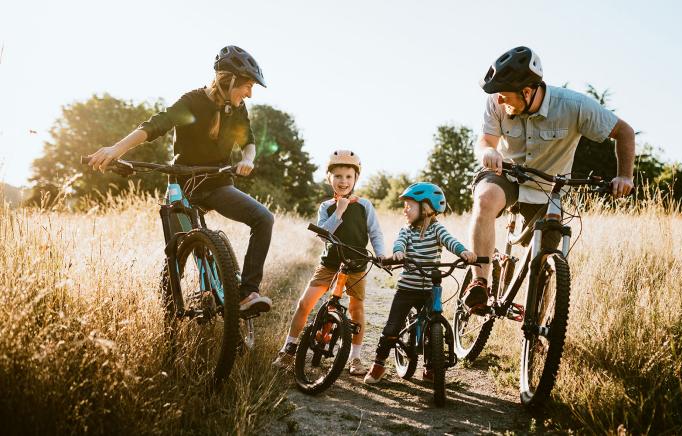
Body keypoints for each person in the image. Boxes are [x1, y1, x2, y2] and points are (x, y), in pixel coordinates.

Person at [87, 45, 274, 318]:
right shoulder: (193, 102)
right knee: (178, 250)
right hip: (183, 186)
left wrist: (248, 159)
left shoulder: (238, 109)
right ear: (229, 80)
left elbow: (249, 142)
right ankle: (175, 313)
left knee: (264, 219)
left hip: (218, 185)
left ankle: (246, 293)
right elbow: (154, 126)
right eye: (246, 86)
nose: (249, 93)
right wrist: (116, 150)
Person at [462, 46, 636, 311]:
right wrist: (487, 151)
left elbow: (625, 132)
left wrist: (624, 176)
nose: (499, 100)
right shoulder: (497, 101)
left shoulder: (574, 106)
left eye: (505, 95)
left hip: (549, 188)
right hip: (506, 174)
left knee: (544, 258)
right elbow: (485, 140)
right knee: (485, 198)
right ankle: (480, 283)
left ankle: (537, 329)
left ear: (528, 91)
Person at [272, 150, 385, 376]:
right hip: (329, 263)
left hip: (356, 265)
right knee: (305, 304)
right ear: (329, 179)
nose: (343, 181)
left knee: (356, 309)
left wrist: (381, 254)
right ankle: (289, 348)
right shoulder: (326, 207)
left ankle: (355, 358)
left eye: (348, 177)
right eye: (338, 176)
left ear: (355, 179)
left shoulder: (365, 206)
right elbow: (324, 234)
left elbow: (375, 233)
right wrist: (340, 211)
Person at [364, 182, 476, 384]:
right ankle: (378, 364)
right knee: (392, 328)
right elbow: (400, 242)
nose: (405, 210)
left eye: (409, 205)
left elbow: (450, 241)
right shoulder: (407, 231)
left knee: (434, 328)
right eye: (404, 205)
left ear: (426, 208)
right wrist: (398, 252)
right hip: (407, 288)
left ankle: (430, 368)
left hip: (430, 289)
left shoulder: (437, 230)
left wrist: (463, 252)